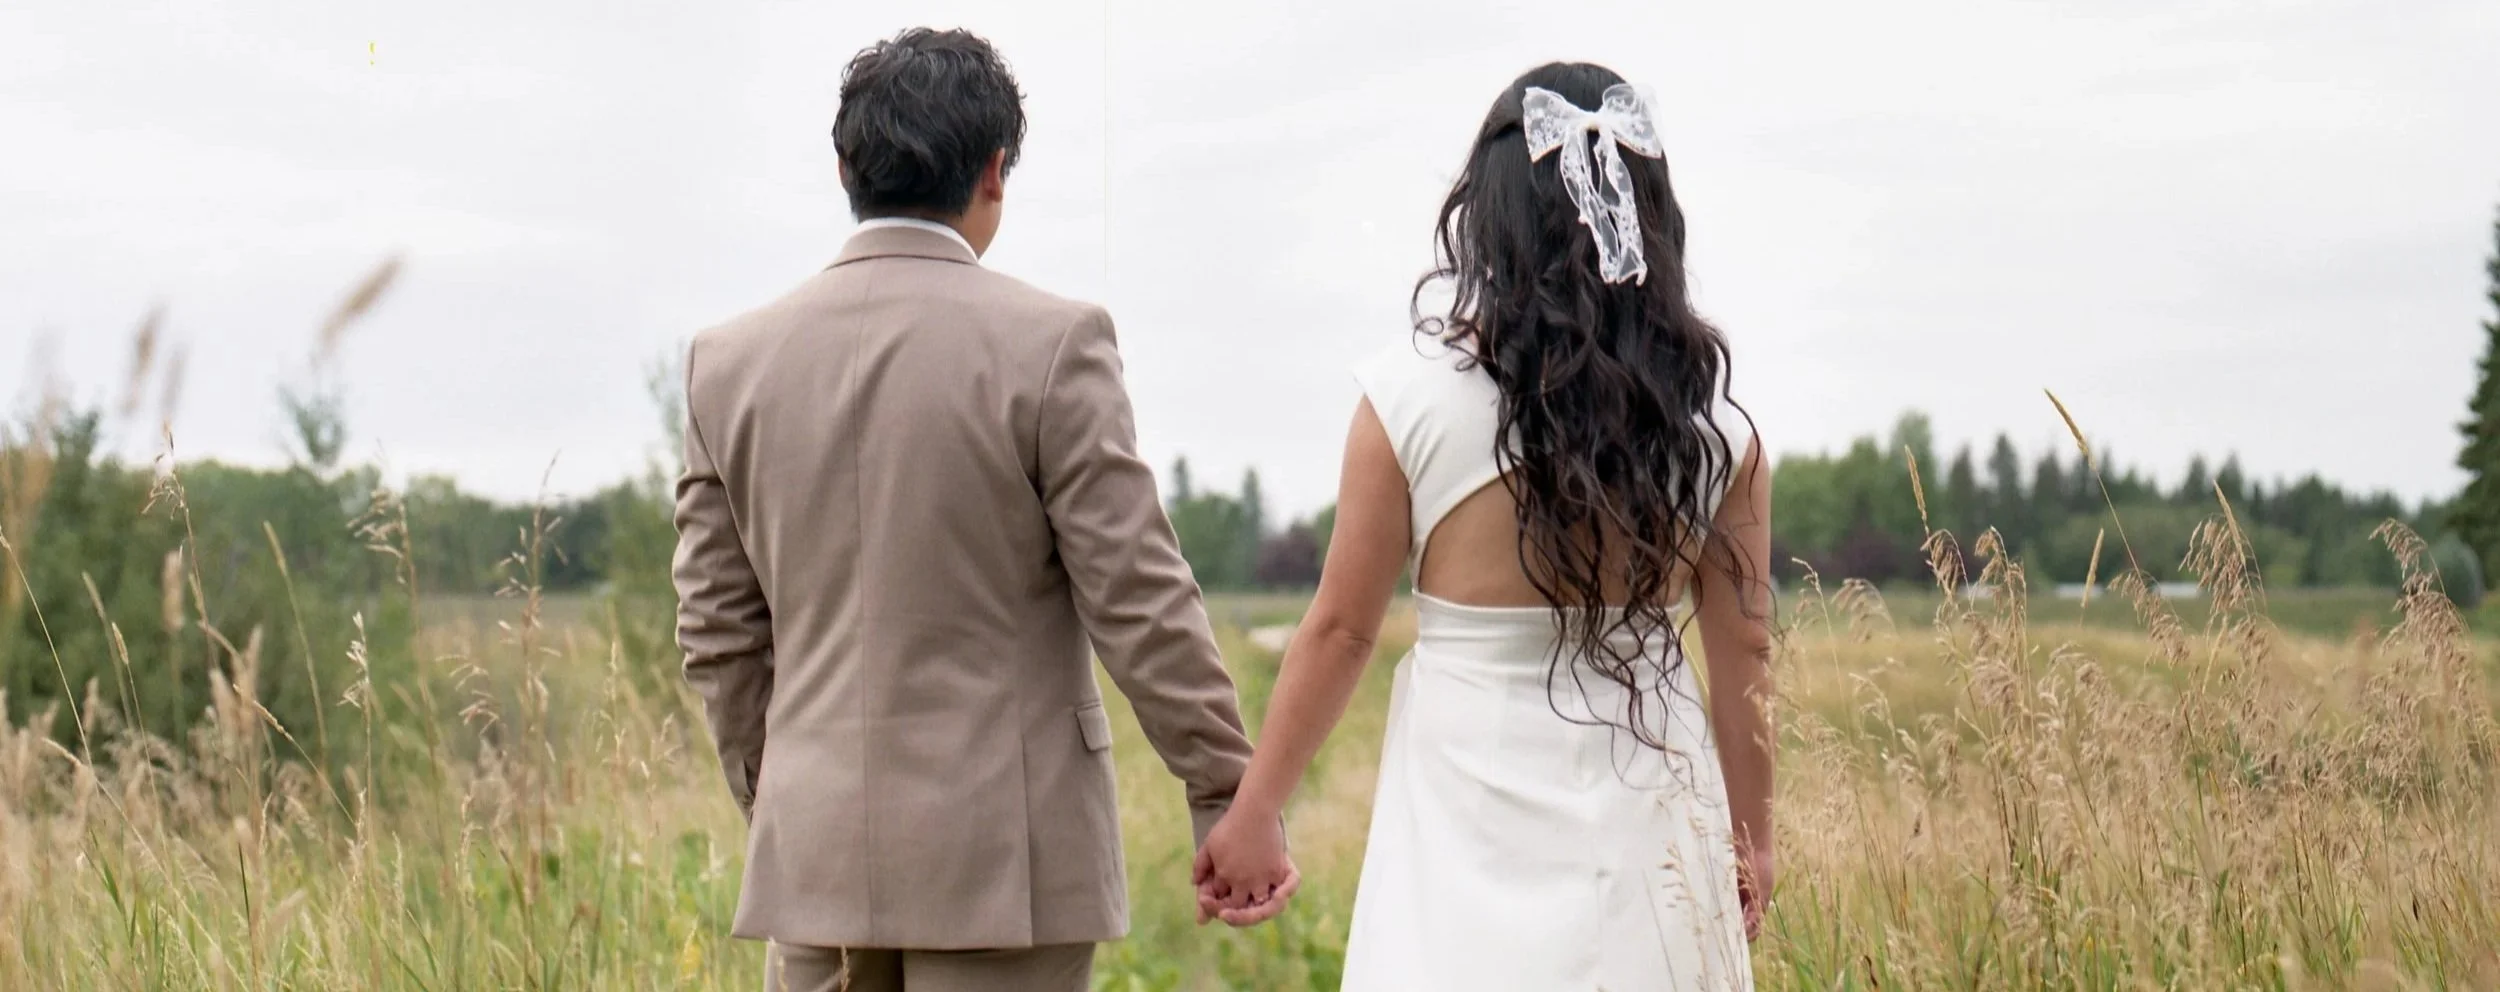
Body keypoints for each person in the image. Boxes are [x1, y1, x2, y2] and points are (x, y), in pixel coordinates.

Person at [671, 27, 1289, 992]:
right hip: (1010, 864)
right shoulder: (1053, 346)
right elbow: (1137, 599)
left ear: (845, 168)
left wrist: (783, 804)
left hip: (815, 861)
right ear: (995, 171)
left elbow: (716, 632)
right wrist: (1223, 789)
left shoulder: (728, 363)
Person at [1193, 62, 1777, 990]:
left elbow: (1342, 631)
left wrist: (1254, 810)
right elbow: (1744, 649)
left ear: (1492, 214)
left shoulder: (1410, 399)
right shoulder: (1716, 433)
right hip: (1656, 815)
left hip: (1468, 814)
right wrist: (1753, 840)